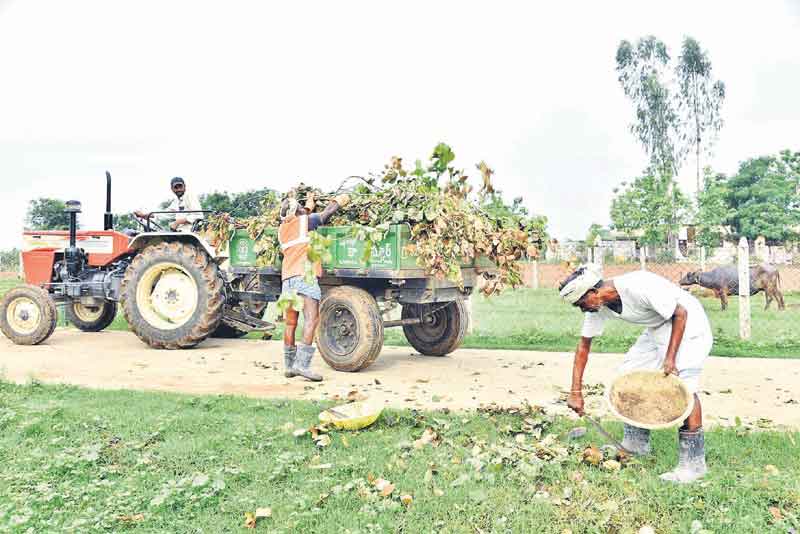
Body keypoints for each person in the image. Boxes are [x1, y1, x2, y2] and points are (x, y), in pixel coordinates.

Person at [559, 265, 713, 483]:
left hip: (688, 323)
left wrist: (670, 359)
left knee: (683, 386)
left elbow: (680, 313)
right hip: (659, 325)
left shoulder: (638, 285)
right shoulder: (598, 306)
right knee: (629, 375)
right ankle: (636, 443)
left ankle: (693, 465)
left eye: (581, 304)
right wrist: (575, 392)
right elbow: (583, 346)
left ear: (593, 292)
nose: (583, 310)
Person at [279, 192, 350, 381]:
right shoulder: (305, 222)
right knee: (311, 319)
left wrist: (309, 202)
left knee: (290, 323)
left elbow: (304, 214)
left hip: (287, 279)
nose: (303, 209)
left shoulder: (282, 229)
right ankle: (302, 366)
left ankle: (289, 366)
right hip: (305, 276)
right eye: (300, 207)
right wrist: (338, 202)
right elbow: (325, 215)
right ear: (297, 212)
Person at [134, 177, 203, 232]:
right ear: (172, 189)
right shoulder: (176, 202)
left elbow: (198, 215)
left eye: (180, 186)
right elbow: (163, 214)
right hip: (180, 231)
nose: (179, 189)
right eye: (176, 187)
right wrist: (144, 215)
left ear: (184, 187)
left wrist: (178, 222)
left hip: (190, 232)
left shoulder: (190, 197)